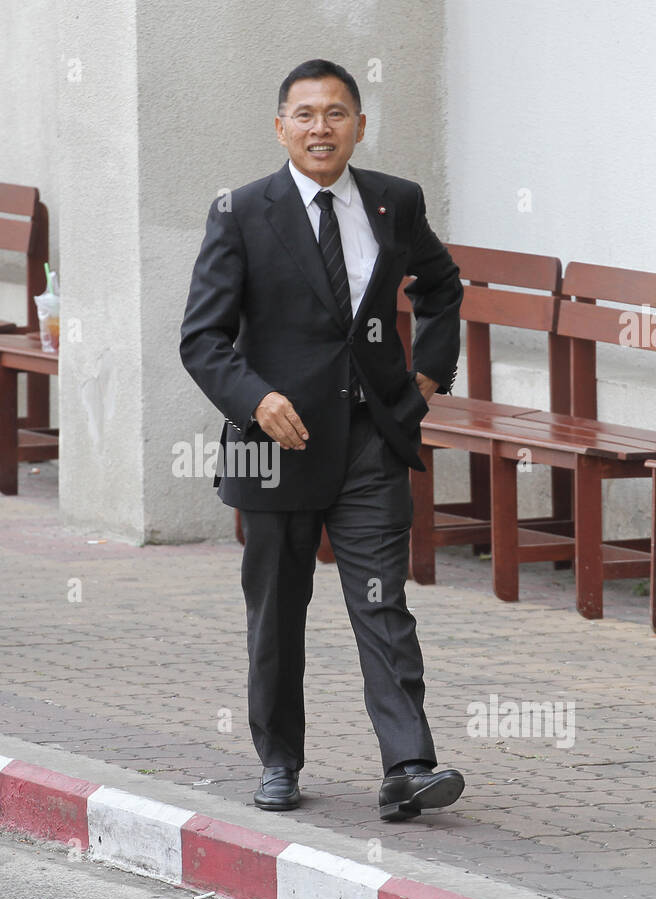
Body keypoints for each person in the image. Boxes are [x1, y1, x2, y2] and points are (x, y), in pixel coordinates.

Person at [180, 59, 467, 822]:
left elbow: (441, 287)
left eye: (336, 113)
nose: (320, 128)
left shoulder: (393, 203)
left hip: (371, 441)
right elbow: (202, 339)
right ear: (281, 128)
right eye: (304, 114)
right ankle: (279, 758)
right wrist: (256, 399)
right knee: (277, 610)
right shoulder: (240, 212)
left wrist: (427, 379)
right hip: (274, 445)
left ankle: (408, 763)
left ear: (359, 126)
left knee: (382, 600)